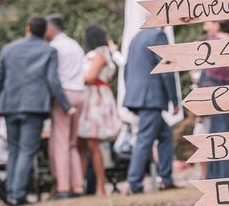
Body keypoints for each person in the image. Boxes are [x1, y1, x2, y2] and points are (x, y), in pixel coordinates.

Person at [0, 15, 76, 205]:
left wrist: (1, 96)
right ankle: (18, 195)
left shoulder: (8, 49)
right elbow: (53, 80)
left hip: (9, 106)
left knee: (13, 150)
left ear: (27, 28)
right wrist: (66, 106)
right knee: (26, 150)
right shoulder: (49, 50)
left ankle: (11, 192)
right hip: (33, 107)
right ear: (45, 31)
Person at [123, 28, 179, 194]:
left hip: (139, 95)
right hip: (151, 96)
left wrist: (133, 94)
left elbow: (127, 69)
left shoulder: (136, 37)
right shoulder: (158, 36)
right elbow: (166, 68)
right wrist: (174, 99)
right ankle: (134, 183)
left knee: (165, 135)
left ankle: (167, 179)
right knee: (144, 140)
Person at [77, 24, 121, 197]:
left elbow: (90, 77)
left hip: (96, 100)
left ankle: (101, 186)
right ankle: (79, 185)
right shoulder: (90, 55)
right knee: (81, 144)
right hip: (87, 99)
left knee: (93, 144)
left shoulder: (101, 54)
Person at [45, 15, 85, 199]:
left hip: (65, 94)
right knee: (72, 144)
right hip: (80, 93)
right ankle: (78, 185)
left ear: (51, 28)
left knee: (60, 143)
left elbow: (53, 78)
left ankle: (63, 188)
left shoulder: (54, 47)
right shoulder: (75, 45)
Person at [200, 20, 229, 180]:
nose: (205, 27)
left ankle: (220, 175)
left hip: (216, 92)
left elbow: (210, 70)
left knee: (218, 133)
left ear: (217, 24)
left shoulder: (211, 42)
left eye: (208, 23)